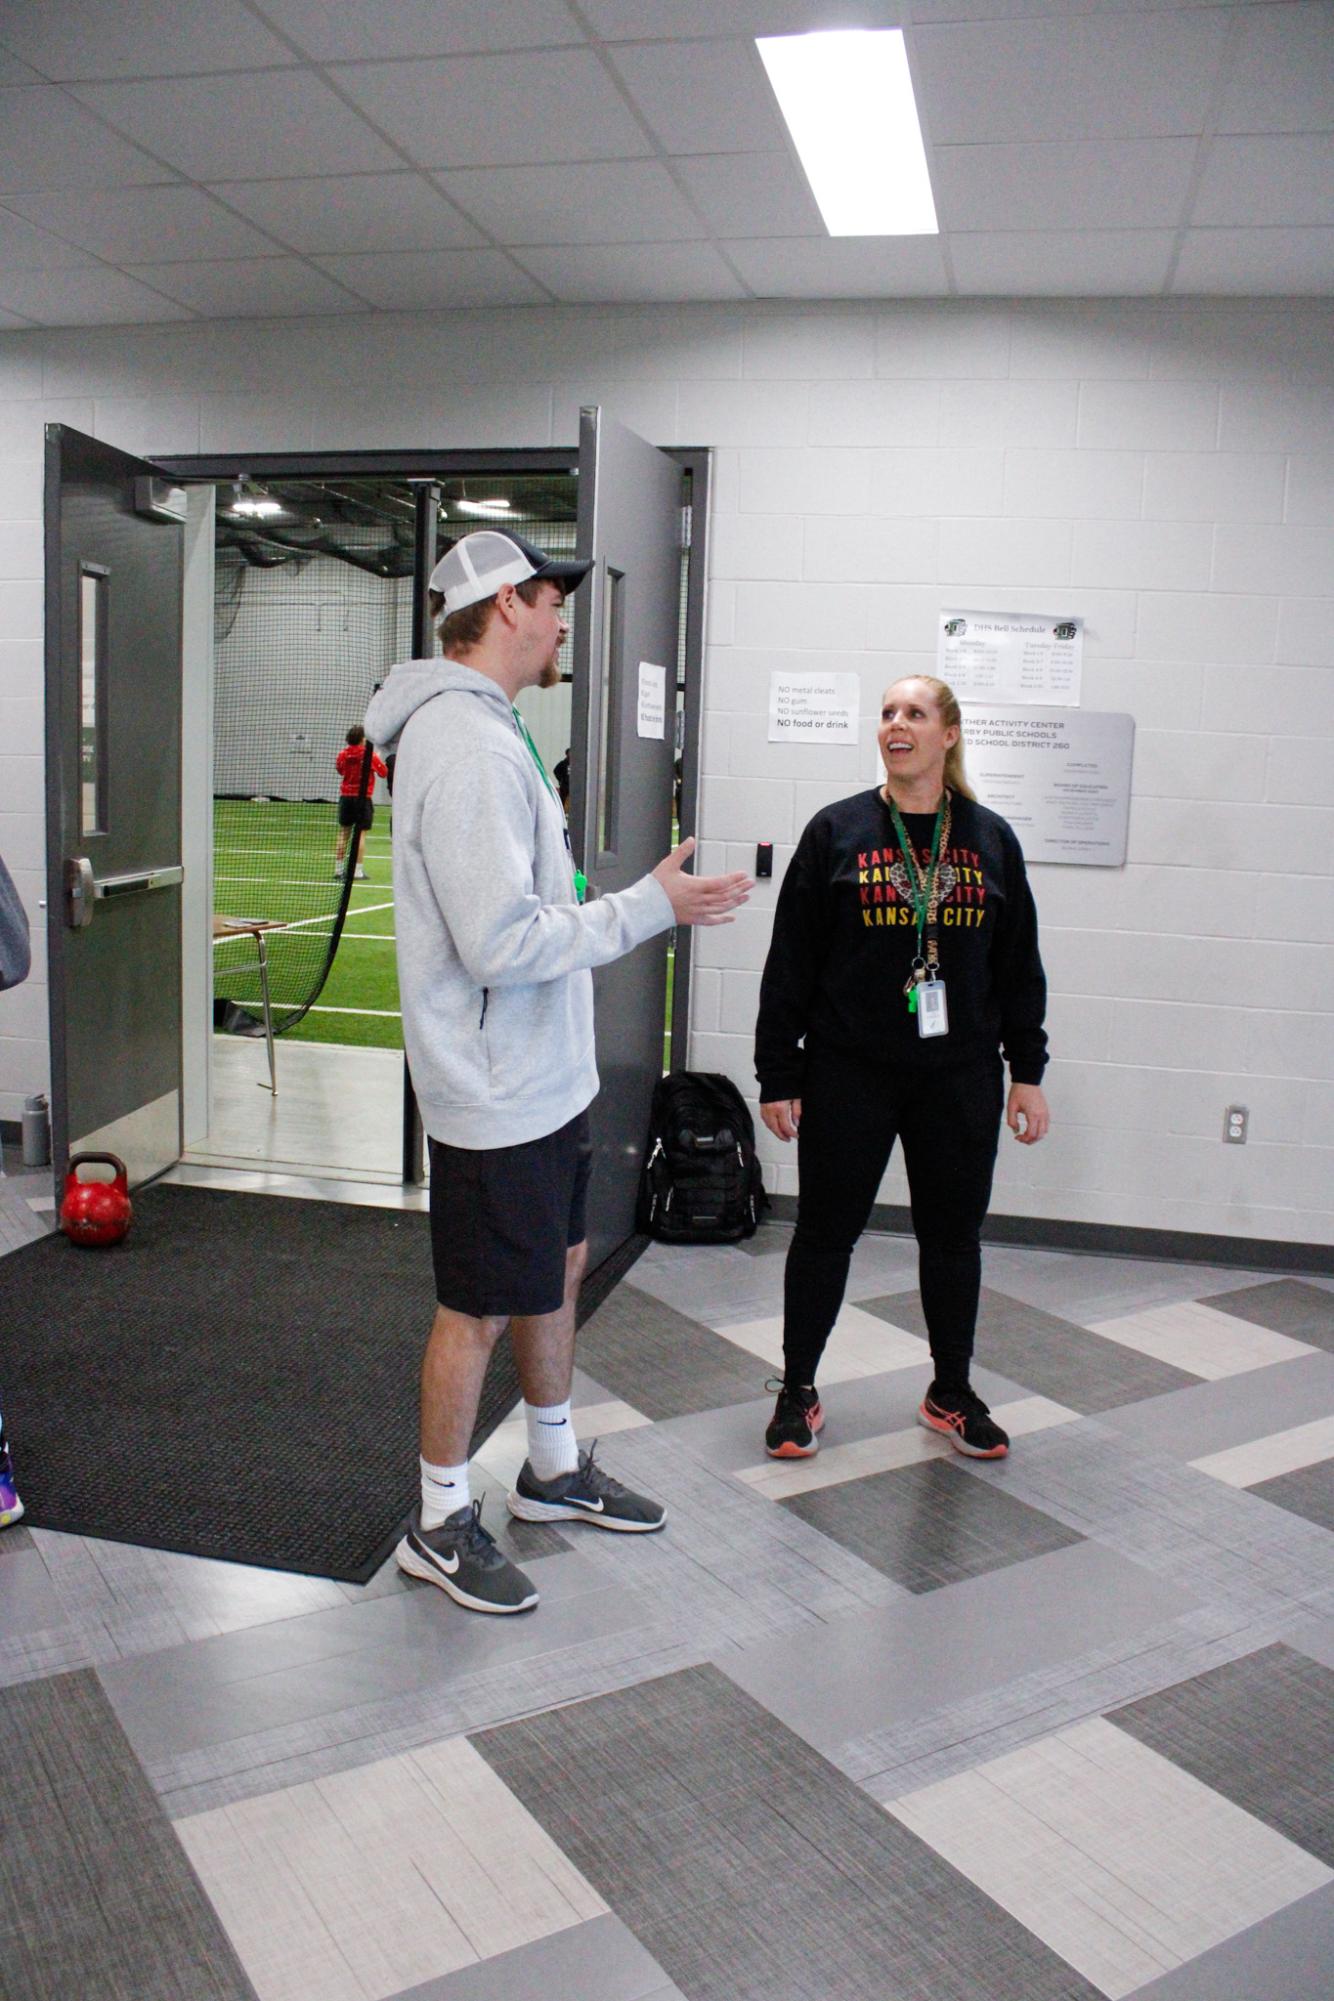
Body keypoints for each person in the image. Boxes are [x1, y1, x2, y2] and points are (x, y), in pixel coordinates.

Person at [363, 528, 751, 1615]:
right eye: (547, 597)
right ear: (500, 611)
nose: (562, 616)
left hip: (541, 1078)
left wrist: (627, 908)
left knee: (558, 1267)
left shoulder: (494, 733)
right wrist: (646, 910)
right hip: (493, 1090)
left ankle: (549, 1468)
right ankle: (439, 1522)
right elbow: (498, 943)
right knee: (478, 1307)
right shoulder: (467, 747)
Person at [755, 674, 1049, 1464]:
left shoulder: (989, 840)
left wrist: (1028, 1068)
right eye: (887, 713)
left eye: (915, 713)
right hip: (850, 1070)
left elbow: (1019, 965)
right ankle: (798, 1391)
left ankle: (950, 1388)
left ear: (948, 734)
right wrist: (778, 1072)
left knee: (953, 1236)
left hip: (960, 1075)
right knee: (824, 1232)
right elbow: (791, 962)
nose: (896, 724)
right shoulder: (837, 832)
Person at [333, 724, 388, 878]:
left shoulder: (343, 754)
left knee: (344, 833)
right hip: (363, 799)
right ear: (362, 738)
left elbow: (340, 770)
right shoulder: (368, 755)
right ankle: (357, 871)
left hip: (346, 797)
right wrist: (376, 758)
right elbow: (383, 772)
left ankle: (338, 870)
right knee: (361, 835)